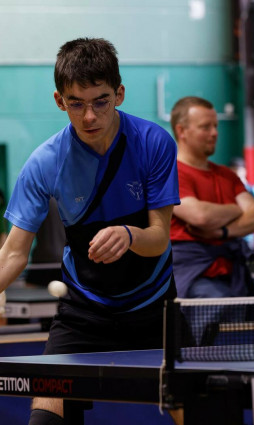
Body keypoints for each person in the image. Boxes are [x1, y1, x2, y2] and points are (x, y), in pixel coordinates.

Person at [0, 38, 180, 425]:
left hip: (155, 307)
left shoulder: (153, 143)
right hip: (84, 311)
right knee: (45, 416)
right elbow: (13, 254)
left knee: (196, 409)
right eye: (76, 104)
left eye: (100, 101)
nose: (89, 117)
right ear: (59, 101)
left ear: (119, 94)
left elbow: (159, 238)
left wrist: (129, 235)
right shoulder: (45, 162)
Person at [170, 96, 254, 299]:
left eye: (215, 126)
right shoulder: (169, 173)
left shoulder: (227, 176)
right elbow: (200, 216)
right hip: (193, 280)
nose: (214, 133)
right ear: (181, 131)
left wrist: (222, 231)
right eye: (205, 127)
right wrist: (236, 209)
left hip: (235, 277)